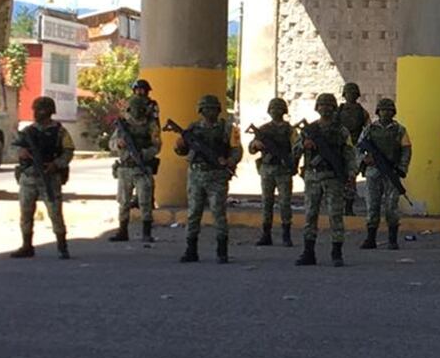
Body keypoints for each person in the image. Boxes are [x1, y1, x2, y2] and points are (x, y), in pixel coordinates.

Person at [174, 94, 243, 264]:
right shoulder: (193, 128)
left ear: (219, 110)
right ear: (201, 110)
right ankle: (191, 250)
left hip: (217, 176)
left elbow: (237, 150)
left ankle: (222, 251)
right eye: (206, 108)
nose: (209, 112)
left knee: (219, 213)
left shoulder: (228, 128)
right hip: (197, 174)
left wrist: (230, 161)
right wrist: (180, 144)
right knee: (193, 213)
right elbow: (181, 150)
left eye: (213, 108)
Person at [295, 93, 356, 268]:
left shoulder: (341, 131)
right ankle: (308, 252)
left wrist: (351, 174)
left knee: (335, 215)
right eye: (322, 105)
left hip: (333, 177)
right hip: (312, 176)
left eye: (329, 105)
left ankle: (337, 253)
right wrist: (303, 144)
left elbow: (350, 154)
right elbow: (295, 150)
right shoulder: (309, 130)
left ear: (334, 108)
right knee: (310, 215)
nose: (325, 108)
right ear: (317, 108)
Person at [11, 96, 75, 260]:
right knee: (26, 212)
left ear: (48, 112)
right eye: (35, 110)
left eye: (39, 110)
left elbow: (68, 151)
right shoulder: (28, 131)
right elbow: (16, 149)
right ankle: (27, 246)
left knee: (55, 213)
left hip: (50, 176)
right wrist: (21, 153)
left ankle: (62, 246)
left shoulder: (59, 131)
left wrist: (56, 164)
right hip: (29, 176)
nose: (36, 113)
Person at [358, 98, 412, 250]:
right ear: (378, 111)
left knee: (391, 207)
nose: (386, 113)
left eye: (389, 110)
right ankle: (370, 238)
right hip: (373, 172)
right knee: (372, 205)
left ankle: (392, 240)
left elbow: (406, 150)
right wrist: (365, 158)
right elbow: (359, 147)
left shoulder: (400, 130)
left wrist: (402, 168)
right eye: (383, 110)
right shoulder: (369, 129)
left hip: (391, 171)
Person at [107, 94, 161, 243]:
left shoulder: (151, 125)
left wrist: (144, 154)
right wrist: (119, 143)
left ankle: (146, 232)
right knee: (123, 201)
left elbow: (157, 146)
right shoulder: (123, 126)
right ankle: (122, 231)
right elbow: (111, 144)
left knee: (145, 201)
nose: (136, 112)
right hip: (125, 168)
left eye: (139, 109)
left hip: (142, 167)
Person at [248, 97, 299, 247]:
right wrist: (255, 145)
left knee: (285, 202)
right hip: (267, 169)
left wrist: (292, 162)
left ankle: (286, 234)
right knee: (267, 202)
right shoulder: (263, 130)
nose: (275, 111)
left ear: (284, 111)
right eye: (273, 109)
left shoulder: (290, 130)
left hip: (283, 170)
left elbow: (296, 148)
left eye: (278, 108)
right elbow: (252, 147)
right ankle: (266, 234)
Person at [336, 82, 370, 215]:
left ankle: (348, 207)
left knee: (350, 178)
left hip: (354, 148)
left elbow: (367, 131)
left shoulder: (362, 112)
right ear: (344, 95)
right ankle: (339, 205)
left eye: (353, 93)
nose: (351, 96)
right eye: (349, 93)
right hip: (340, 147)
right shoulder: (338, 111)